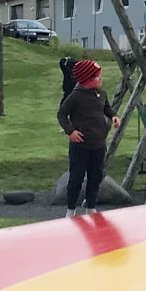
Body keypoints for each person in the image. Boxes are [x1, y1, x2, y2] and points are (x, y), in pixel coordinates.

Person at [56, 59, 120, 218]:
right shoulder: (75, 96)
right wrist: (71, 131)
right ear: (87, 80)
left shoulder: (101, 94)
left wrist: (113, 116)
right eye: (97, 77)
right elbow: (62, 114)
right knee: (76, 177)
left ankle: (91, 206)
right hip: (80, 145)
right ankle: (71, 209)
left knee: (96, 176)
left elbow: (106, 107)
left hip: (99, 144)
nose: (100, 79)